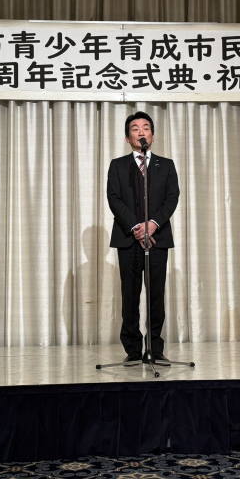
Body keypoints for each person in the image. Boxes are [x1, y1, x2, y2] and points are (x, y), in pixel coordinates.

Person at [107, 111, 180, 365]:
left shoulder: (166, 165)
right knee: (130, 293)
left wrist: (153, 224)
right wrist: (136, 226)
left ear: (153, 136)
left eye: (146, 128)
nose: (141, 132)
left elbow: (172, 197)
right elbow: (114, 198)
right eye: (135, 129)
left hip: (158, 238)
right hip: (128, 239)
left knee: (156, 294)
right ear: (127, 138)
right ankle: (132, 349)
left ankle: (155, 348)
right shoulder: (118, 165)